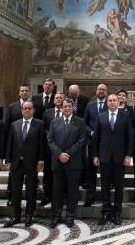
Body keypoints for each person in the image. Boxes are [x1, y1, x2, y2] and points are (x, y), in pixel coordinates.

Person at [92, 94, 134, 225]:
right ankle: (105, 212)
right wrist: (95, 155)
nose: (112, 102)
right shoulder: (101, 116)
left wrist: (128, 155)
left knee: (119, 187)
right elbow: (96, 138)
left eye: (114, 100)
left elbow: (130, 138)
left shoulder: (125, 116)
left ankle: (117, 213)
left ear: (118, 102)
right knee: (104, 187)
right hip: (104, 157)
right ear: (107, 103)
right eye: (109, 100)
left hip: (119, 158)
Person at [47, 98, 88, 228]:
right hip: (58, 162)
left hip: (73, 162)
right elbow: (50, 140)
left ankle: (70, 216)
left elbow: (81, 140)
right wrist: (59, 154)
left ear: (73, 107)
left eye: (69, 106)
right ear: (62, 107)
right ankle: (56, 215)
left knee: (72, 191)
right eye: (64, 106)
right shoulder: (54, 122)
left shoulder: (80, 122)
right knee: (57, 191)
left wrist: (68, 154)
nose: (67, 108)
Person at [4, 101, 45, 228]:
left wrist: (41, 160)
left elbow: (42, 144)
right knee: (15, 192)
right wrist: (8, 160)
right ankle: (16, 216)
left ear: (33, 110)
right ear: (22, 110)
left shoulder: (39, 124)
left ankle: (28, 216)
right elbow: (10, 143)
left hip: (32, 163)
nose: (27, 110)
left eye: (29, 108)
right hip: (16, 163)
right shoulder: (14, 125)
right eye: (25, 108)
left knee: (31, 191)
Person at [84, 83, 108, 205]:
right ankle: (90, 196)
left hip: (105, 143)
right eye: (99, 89)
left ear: (106, 92)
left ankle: (105, 198)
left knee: (104, 171)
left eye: (103, 90)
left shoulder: (110, 106)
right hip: (92, 142)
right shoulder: (90, 105)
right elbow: (85, 123)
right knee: (91, 171)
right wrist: (91, 132)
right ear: (96, 91)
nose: (101, 91)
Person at [41, 92, 64, 207]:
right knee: (48, 173)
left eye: (61, 98)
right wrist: (51, 137)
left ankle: (61, 196)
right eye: (57, 98)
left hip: (63, 150)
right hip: (49, 149)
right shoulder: (47, 112)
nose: (59, 100)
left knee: (61, 174)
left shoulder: (68, 112)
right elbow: (43, 127)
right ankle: (47, 196)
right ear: (54, 100)